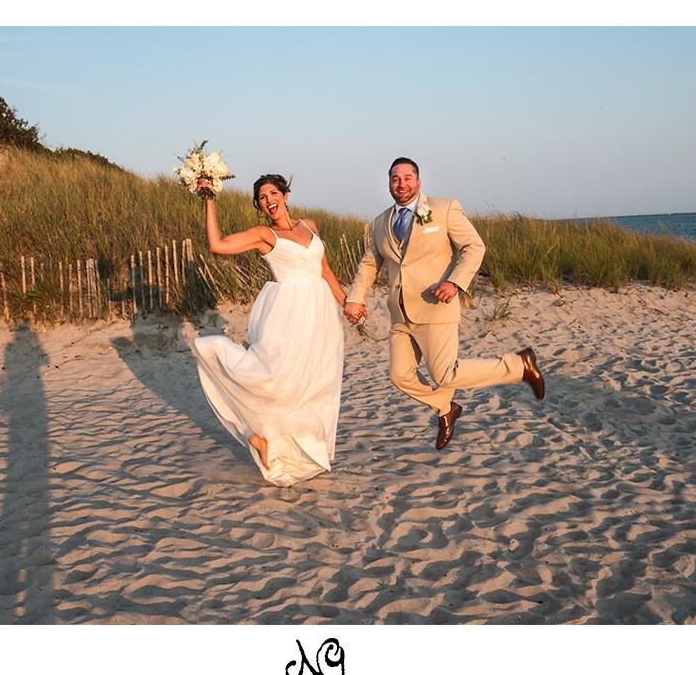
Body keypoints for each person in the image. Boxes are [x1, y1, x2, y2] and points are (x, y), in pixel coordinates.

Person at [343, 157, 544, 450]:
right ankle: (446, 408)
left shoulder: (443, 209)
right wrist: (354, 298)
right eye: (395, 179)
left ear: (419, 182)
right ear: (388, 185)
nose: (402, 184)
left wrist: (455, 282)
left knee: (445, 374)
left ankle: (519, 365)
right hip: (400, 313)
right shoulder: (380, 223)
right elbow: (370, 264)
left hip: (435, 306)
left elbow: (474, 247)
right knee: (400, 376)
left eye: (407, 178)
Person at [190, 174, 346, 486]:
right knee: (276, 378)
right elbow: (217, 245)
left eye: (273, 193)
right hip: (290, 312)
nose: (269, 200)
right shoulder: (265, 234)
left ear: (285, 195)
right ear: (259, 206)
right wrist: (209, 201)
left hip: (321, 316)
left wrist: (347, 302)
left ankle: (298, 446)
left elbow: (326, 271)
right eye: (262, 197)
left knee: (314, 381)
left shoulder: (310, 226)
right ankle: (257, 433)